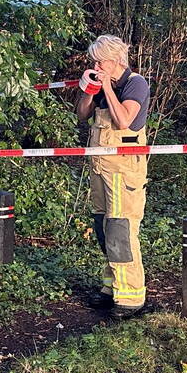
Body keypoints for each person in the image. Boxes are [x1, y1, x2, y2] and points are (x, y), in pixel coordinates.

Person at [76, 35, 151, 319]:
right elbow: (82, 116)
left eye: (100, 61)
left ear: (116, 59)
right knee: (103, 226)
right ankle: (111, 288)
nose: (95, 66)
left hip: (124, 170)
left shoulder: (135, 84)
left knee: (121, 229)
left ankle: (131, 297)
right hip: (100, 167)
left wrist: (107, 87)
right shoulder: (101, 81)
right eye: (93, 61)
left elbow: (123, 121)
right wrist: (89, 90)